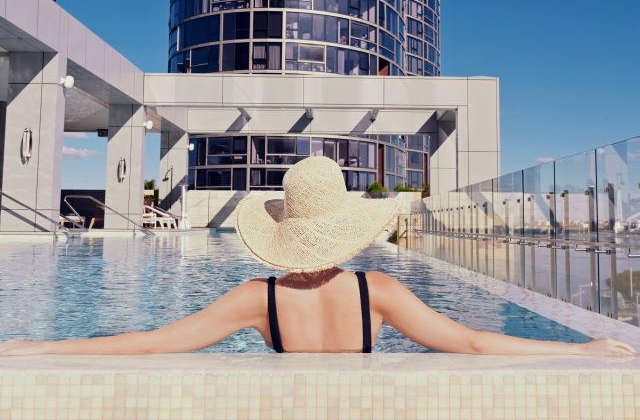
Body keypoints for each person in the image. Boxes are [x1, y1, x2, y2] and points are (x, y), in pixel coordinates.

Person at [0, 157, 636, 357]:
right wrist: (580, 350)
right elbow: (470, 343)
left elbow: (153, 342)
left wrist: (37, 350)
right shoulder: (376, 293)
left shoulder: (259, 298)